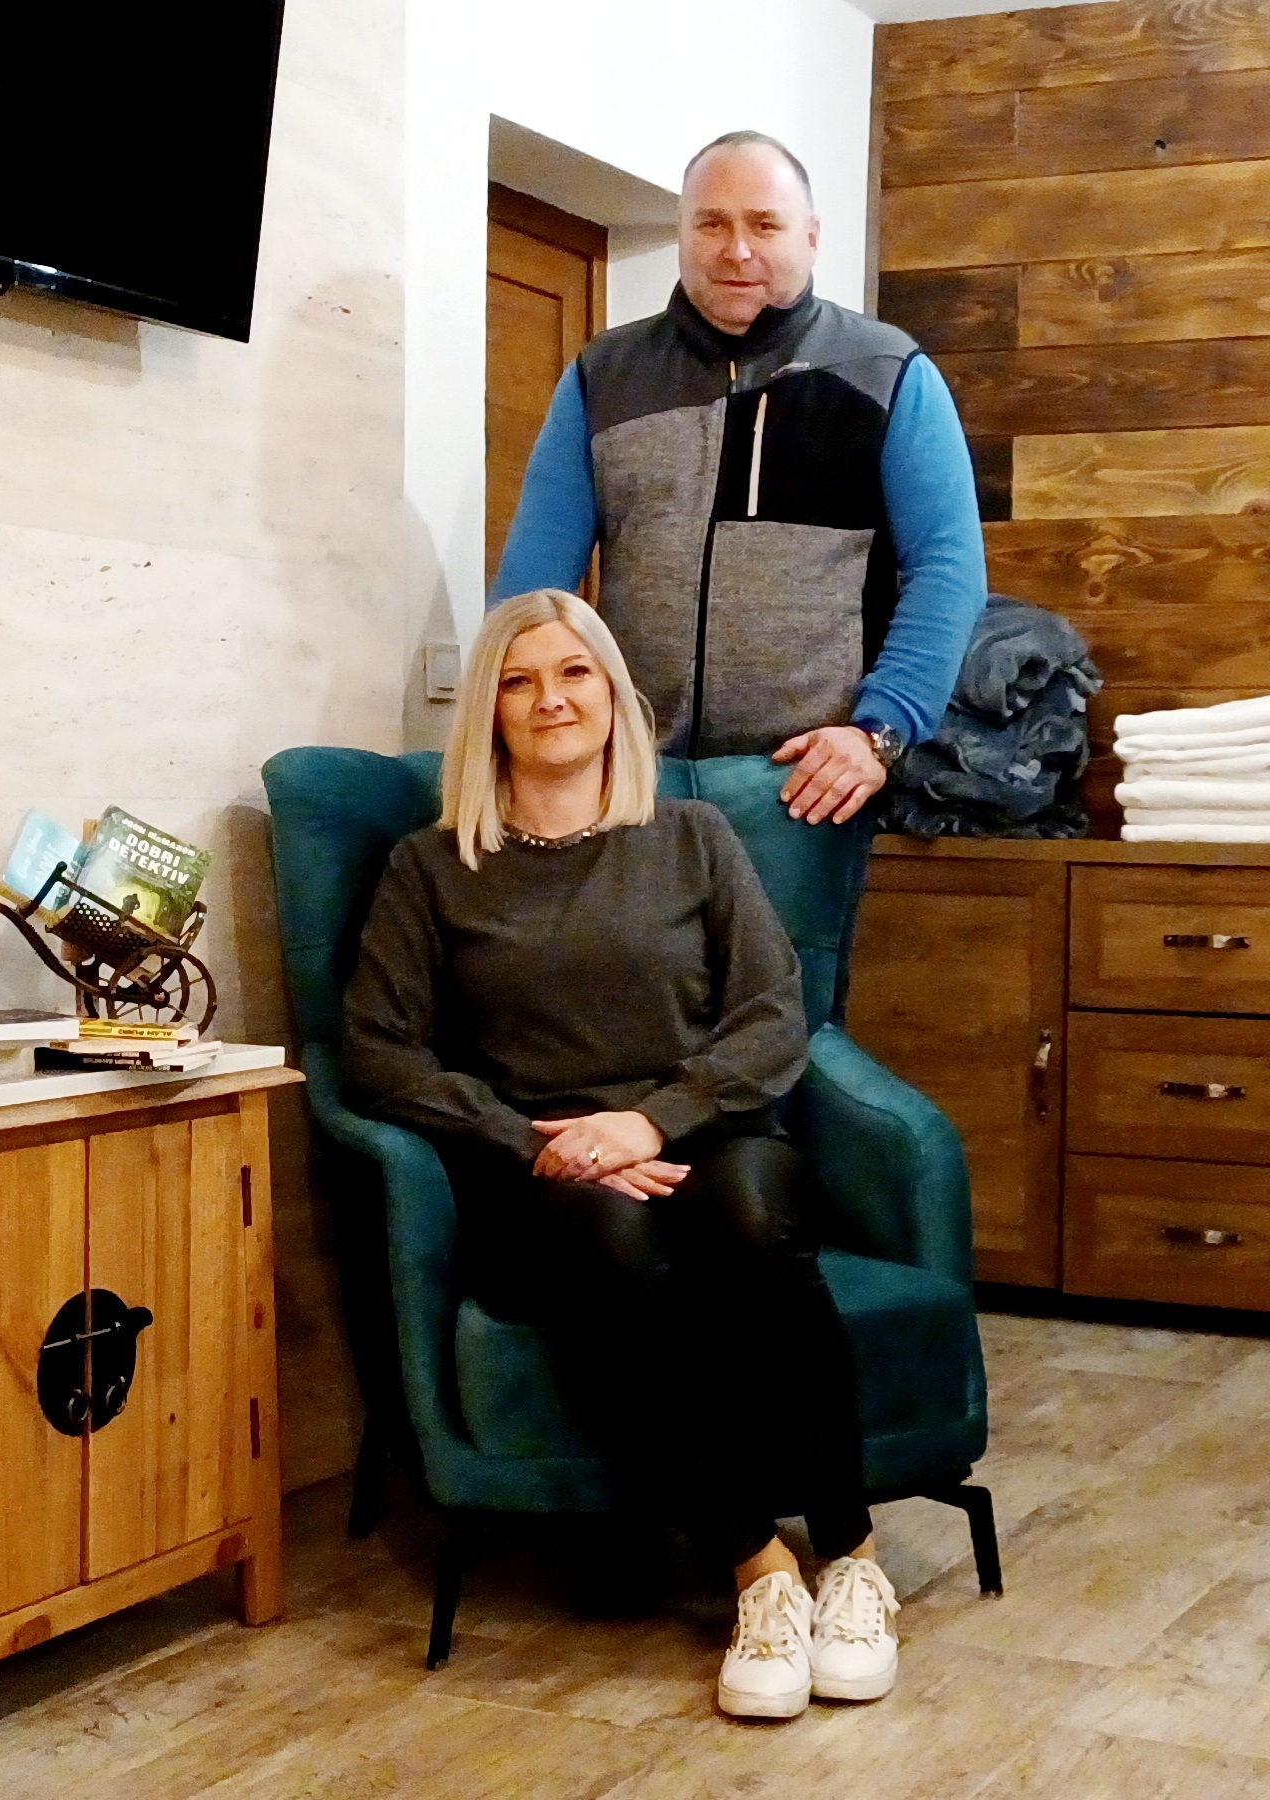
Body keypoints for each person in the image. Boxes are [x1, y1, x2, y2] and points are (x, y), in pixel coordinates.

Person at [342, 588, 900, 1720]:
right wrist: (524, 1140)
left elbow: (772, 1012)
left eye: (573, 673)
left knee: (751, 1221)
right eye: (517, 680)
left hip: (706, 1132)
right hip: (544, 1168)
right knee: (608, 1235)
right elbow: (376, 1049)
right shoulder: (431, 866)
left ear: (612, 694)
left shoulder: (692, 837)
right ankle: (758, 1567)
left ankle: (851, 1556)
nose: (549, 699)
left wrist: (653, 1121)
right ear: (487, 711)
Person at [489, 130, 987, 829]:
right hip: (629, 773)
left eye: (764, 225)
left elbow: (949, 567)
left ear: (810, 237)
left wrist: (880, 731)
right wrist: (512, 734)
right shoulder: (602, 376)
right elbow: (532, 588)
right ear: (682, 232)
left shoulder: (888, 372)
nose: (738, 249)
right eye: (712, 224)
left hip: (803, 784)